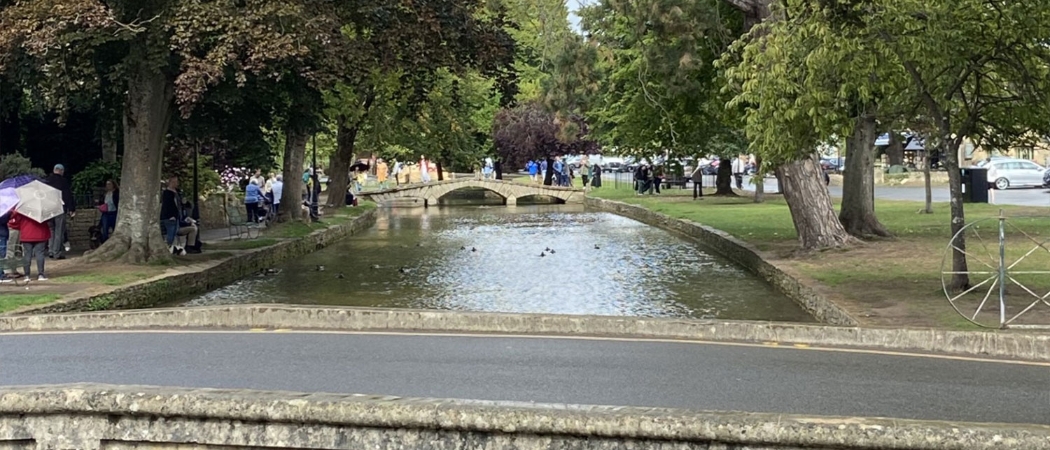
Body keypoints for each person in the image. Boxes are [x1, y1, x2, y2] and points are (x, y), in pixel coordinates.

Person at [160, 176, 200, 255]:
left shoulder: (178, 193)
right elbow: (166, 206)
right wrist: (170, 216)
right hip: (170, 218)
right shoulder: (167, 193)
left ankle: (190, 247)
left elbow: (182, 206)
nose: (176, 184)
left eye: (176, 182)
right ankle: (169, 248)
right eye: (174, 182)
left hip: (179, 219)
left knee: (193, 227)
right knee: (171, 233)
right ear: (170, 182)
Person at [43, 164, 74, 260]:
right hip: (60, 208)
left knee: (51, 230)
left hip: (48, 209)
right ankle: (57, 252)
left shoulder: (47, 181)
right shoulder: (63, 181)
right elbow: (68, 195)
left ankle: (51, 251)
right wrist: (72, 208)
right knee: (59, 231)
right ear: (61, 171)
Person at [8, 211, 50, 281]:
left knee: (27, 255)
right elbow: (48, 220)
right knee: (40, 254)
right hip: (40, 233)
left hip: (26, 233)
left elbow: (16, 222)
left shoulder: (23, 209)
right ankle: (41, 274)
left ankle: (27, 275)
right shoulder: (41, 209)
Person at [0, 210, 9, 282]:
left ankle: (1, 272)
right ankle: (0, 275)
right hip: (1, 234)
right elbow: (3, 220)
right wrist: (9, 213)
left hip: (2, 233)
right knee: (1, 255)